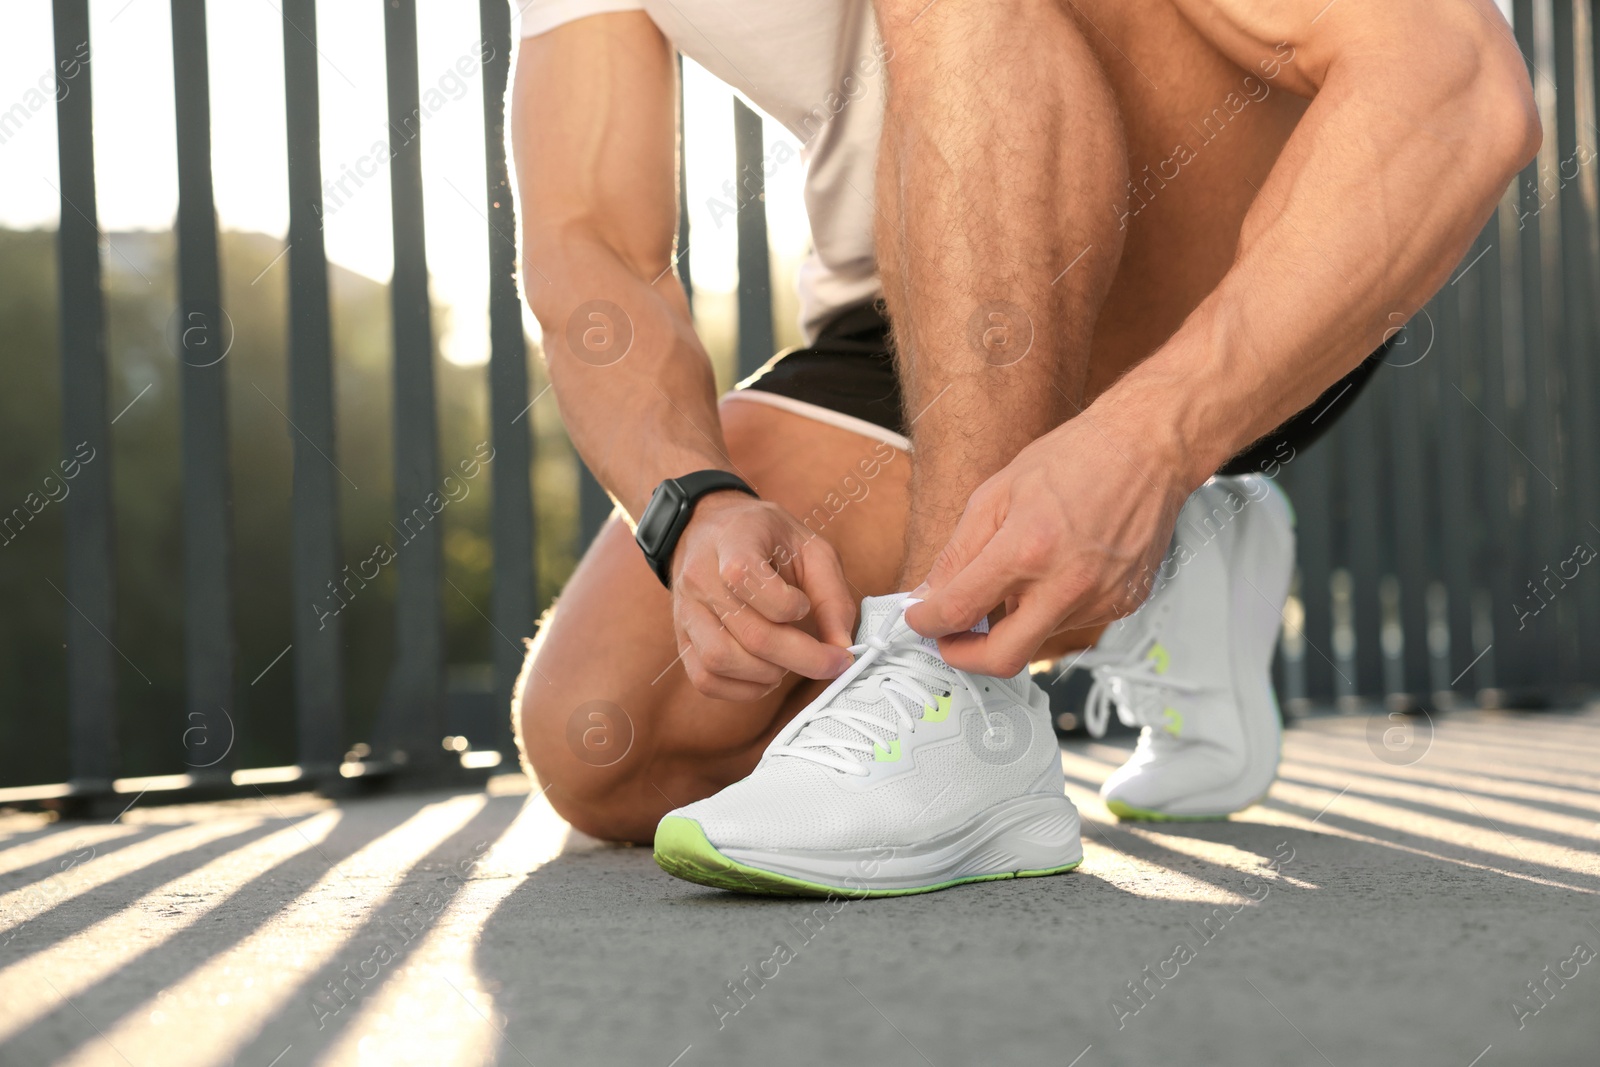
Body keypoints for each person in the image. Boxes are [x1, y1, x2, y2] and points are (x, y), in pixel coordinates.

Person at [508, 0, 1538, 895]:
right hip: (918, 292)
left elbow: (1454, 84)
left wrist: (1151, 440)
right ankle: (1170, 568)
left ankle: (958, 696)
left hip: (1232, 260)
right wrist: (693, 506)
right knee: (605, 735)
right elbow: (588, 234)